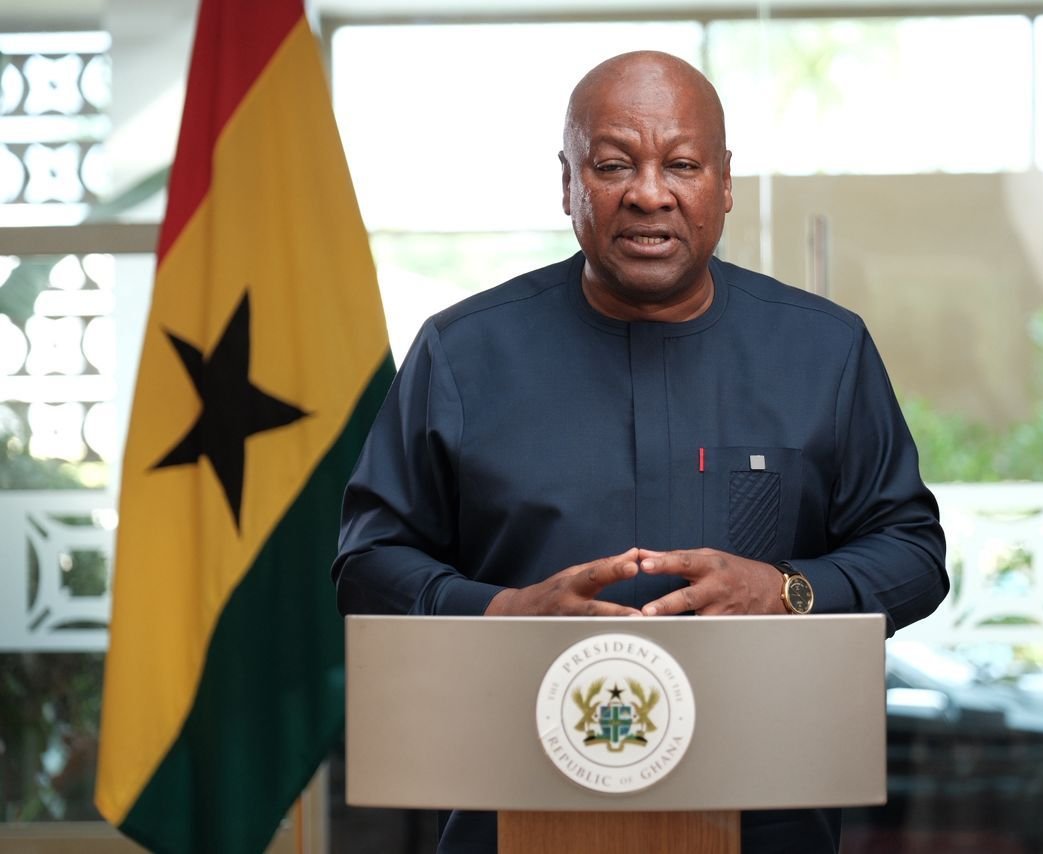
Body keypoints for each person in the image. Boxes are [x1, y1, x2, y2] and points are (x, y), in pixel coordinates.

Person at [332, 50, 948, 854]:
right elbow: (367, 563)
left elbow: (914, 555)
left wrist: (787, 589)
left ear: (724, 183)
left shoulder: (825, 352)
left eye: (681, 164)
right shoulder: (461, 353)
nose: (649, 193)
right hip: (512, 815)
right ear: (568, 183)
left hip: (766, 820)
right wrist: (501, 613)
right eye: (614, 164)